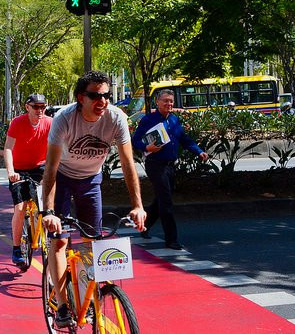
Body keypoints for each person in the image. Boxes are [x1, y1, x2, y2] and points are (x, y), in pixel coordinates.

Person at [41, 70, 146, 328]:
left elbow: (128, 163)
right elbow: (51, 170)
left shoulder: (116, 118)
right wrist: (49, 211)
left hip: (91, 180)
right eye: (96, 96)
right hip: (63, 178)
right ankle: (63, 307)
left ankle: (87, 297)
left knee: (93, 242)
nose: (103, 102)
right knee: (60, 241)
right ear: (81, 97)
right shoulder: (64, 119)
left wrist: (138, 206)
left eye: (107, 96)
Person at [132, 89, 209, 250]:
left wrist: (199, 151)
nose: (169, 104)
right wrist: (147, 147)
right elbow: (135, 140)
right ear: (158, 103)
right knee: (166, 202)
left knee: (160, 199)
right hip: (155, 165)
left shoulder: (174, 120)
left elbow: (184, 139)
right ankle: (171, 240)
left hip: (169, 166)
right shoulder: (148, 119)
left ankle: (143, 225)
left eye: (171, 101)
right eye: (165, 101)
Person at [3, 93, 52, 267]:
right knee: (20, 207)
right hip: (19, 170)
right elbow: (8, 148)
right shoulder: (17, 123)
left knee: (48, 206)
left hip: (40, 167)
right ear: (27, 107)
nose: (40, 110)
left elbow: (56, 148)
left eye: (42, 107)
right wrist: (11, 172)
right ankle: (17, 248)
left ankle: (51, 241)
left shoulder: (49, 123)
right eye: (36, 107)